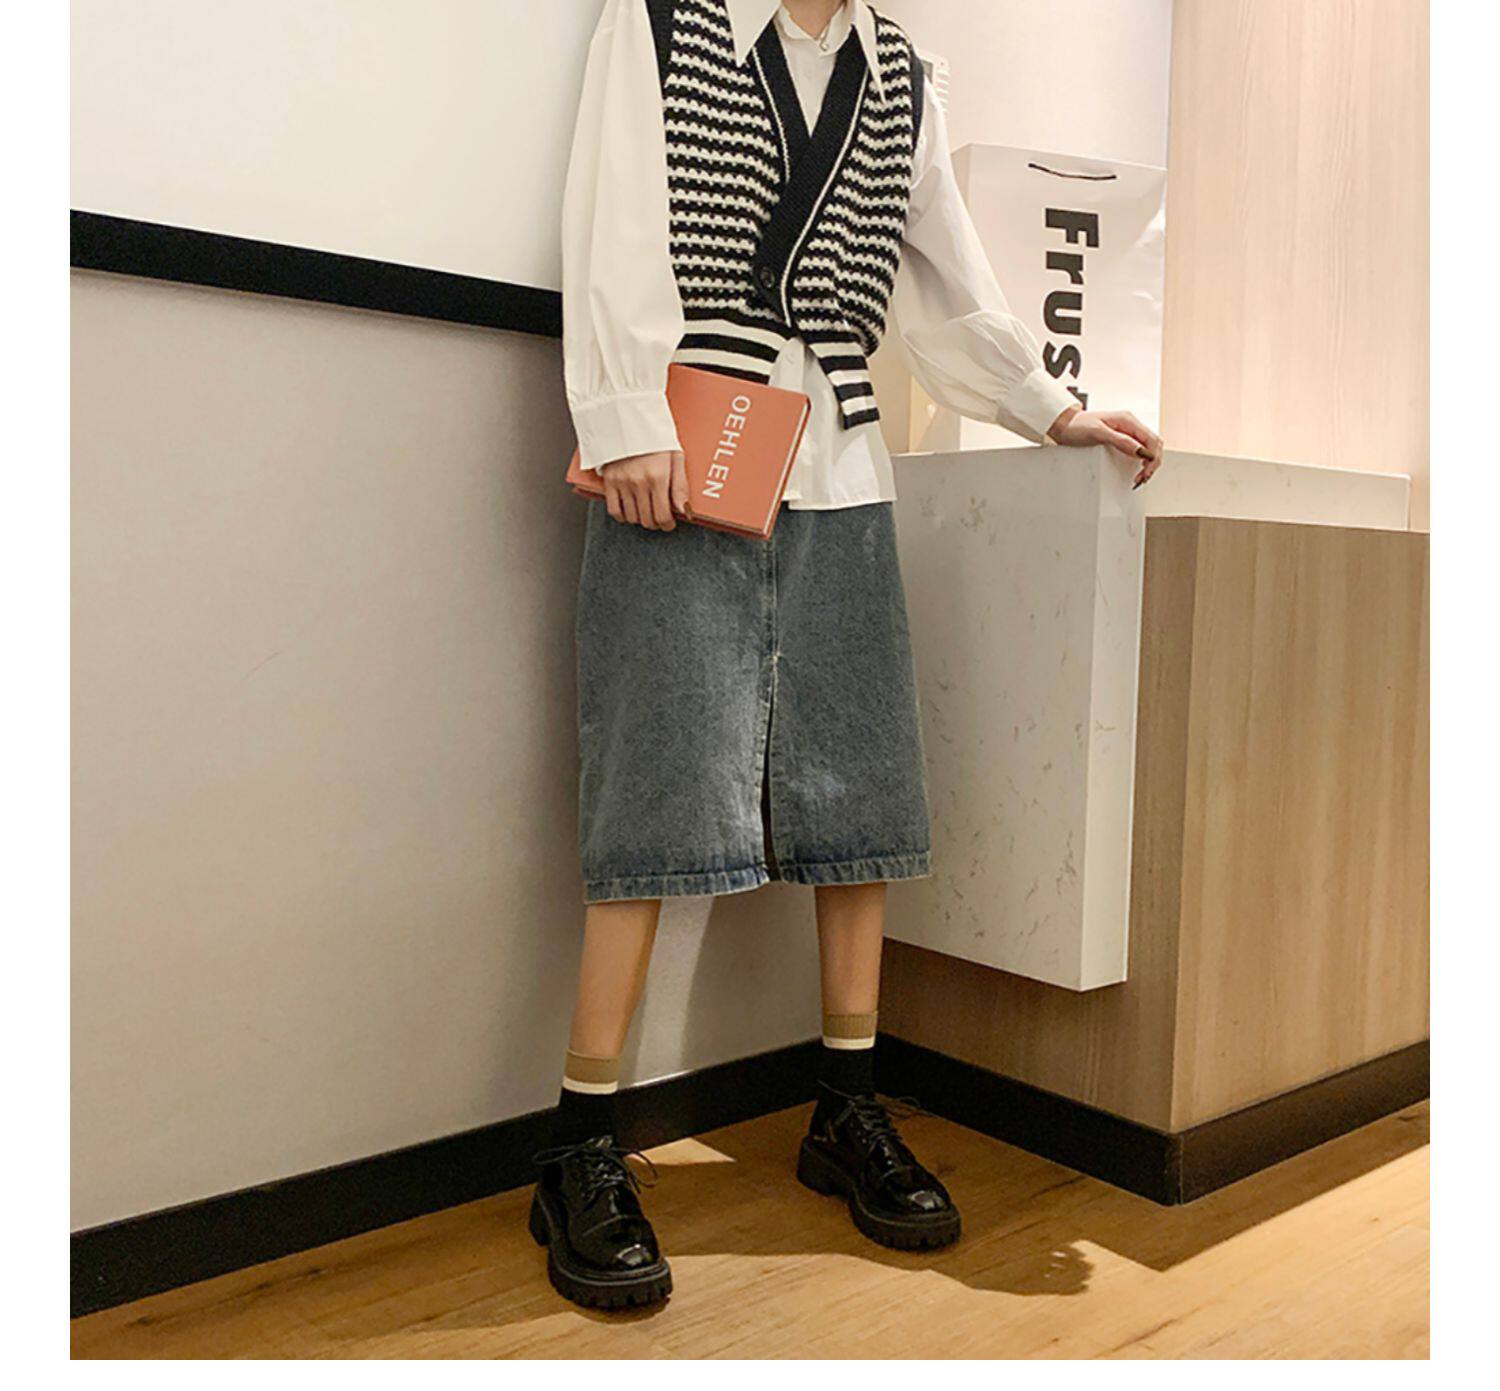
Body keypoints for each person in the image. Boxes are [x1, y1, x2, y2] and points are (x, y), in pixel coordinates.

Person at [528, 0, 1163, 1310]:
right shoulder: (662, 23)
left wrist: (1053, 409)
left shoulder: (900, 69)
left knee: (859, 782)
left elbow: (944, 277)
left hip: (842, 459)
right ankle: (582, 1143)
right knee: (656, 782)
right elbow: (614, 223)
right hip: (683, 453)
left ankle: (845, 1108)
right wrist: (625, 412)